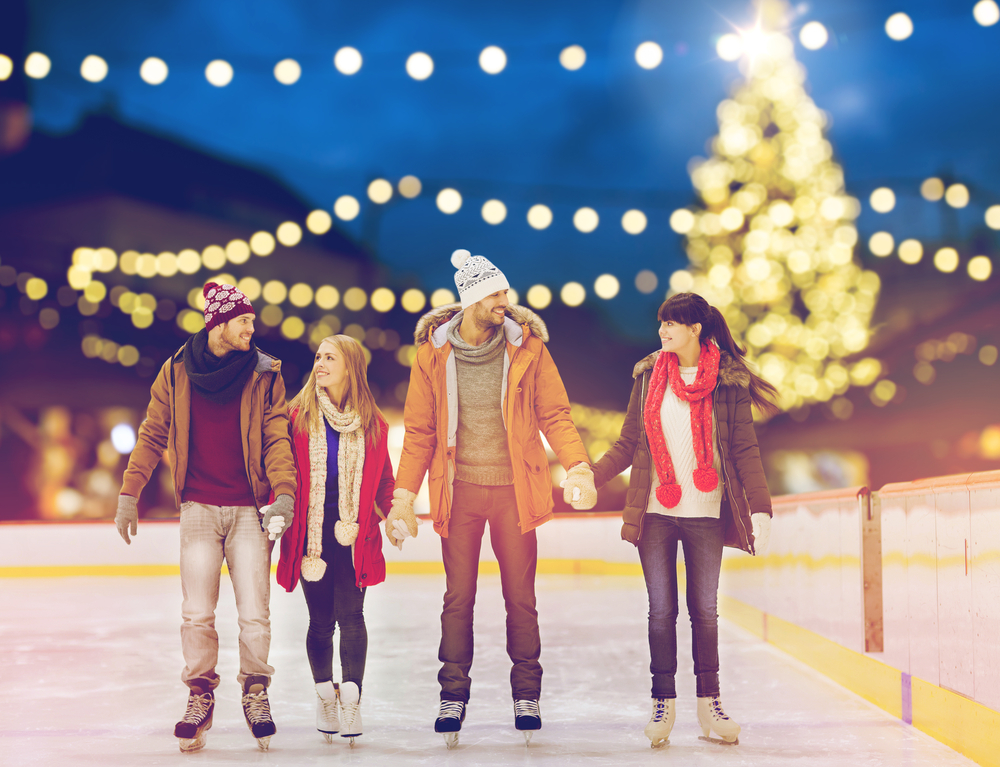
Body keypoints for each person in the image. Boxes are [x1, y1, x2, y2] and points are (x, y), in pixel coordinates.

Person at [385, 249, 598, 747]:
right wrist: (402, 497)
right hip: (458, 495)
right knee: (458, 599)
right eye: (497, 293)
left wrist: (579, 466)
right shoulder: (433, 356)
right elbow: (418, 433)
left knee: (521, 599)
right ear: (473, 298)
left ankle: (527, 693)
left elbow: (556, 415)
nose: (506, 301)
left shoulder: (528, 349)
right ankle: (452, 694)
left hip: (514, 493)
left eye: (505, 292)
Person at [114, 282, 296, 753]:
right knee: (197, 613)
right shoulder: (175, 371)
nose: (252, 329)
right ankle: (200, 696)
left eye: (252, 321)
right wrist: (130, 492)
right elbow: (153, 433)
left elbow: (277, 437)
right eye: (244, 321)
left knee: (255, 612)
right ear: (218, 323)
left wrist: (285, 492)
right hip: (197, 505)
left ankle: (256, 691)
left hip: (250, 509)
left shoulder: (263, 372)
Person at [591, 292, 777, 748]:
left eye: (671, 324)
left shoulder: (727, 383)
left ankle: (709, 703)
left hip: (706, 513)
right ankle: (663, 703)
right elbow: (627, 442)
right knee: (661, 611)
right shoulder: (648, 375)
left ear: (696, 329)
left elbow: (744, 451)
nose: (662, 331)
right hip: (655, 513)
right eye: (660, 324)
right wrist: (590, 477)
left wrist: (761, 507)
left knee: (705, 612)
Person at [275, 335, 395, 746]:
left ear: (351, 366)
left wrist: (394, 514)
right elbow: (281, 470)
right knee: (321, 622)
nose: (320, 363)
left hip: (354, 536)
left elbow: (385, 483)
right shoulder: (296, 415)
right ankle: (326, 695)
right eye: (318, 356)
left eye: (330, 357)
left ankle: (353, 700)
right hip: (311, 537)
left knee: (353, 617)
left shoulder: (374, 423)